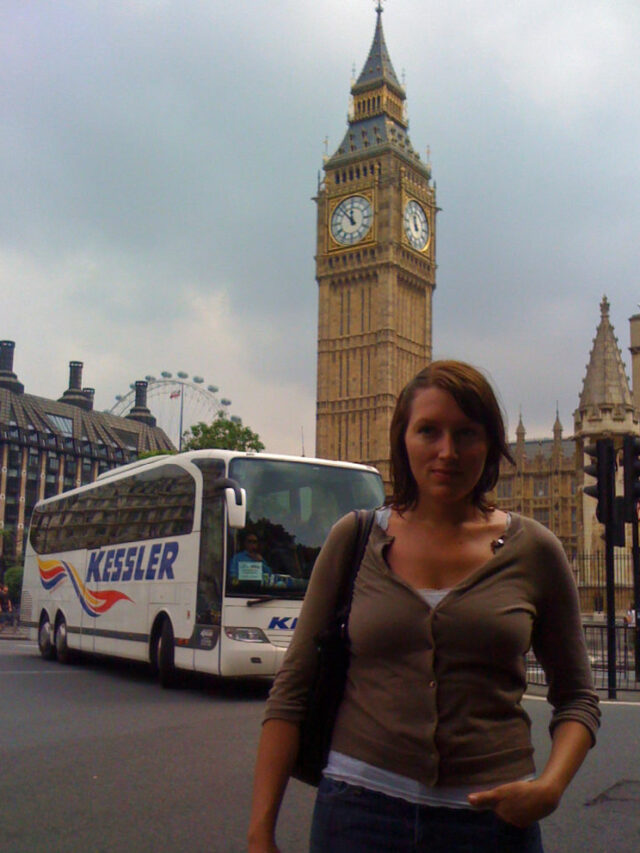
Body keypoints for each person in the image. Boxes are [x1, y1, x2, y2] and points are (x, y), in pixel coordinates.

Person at [248, 361, 600, 853]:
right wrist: (260, 831)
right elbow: (292, 689)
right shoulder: (354, 538)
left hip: (492, 826)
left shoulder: (535, 549)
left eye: (467, 433)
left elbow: (579, 696)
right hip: (357, 813)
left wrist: (550, 788)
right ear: (402, 439)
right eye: (428, 431)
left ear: (493, 443)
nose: (447, 452)